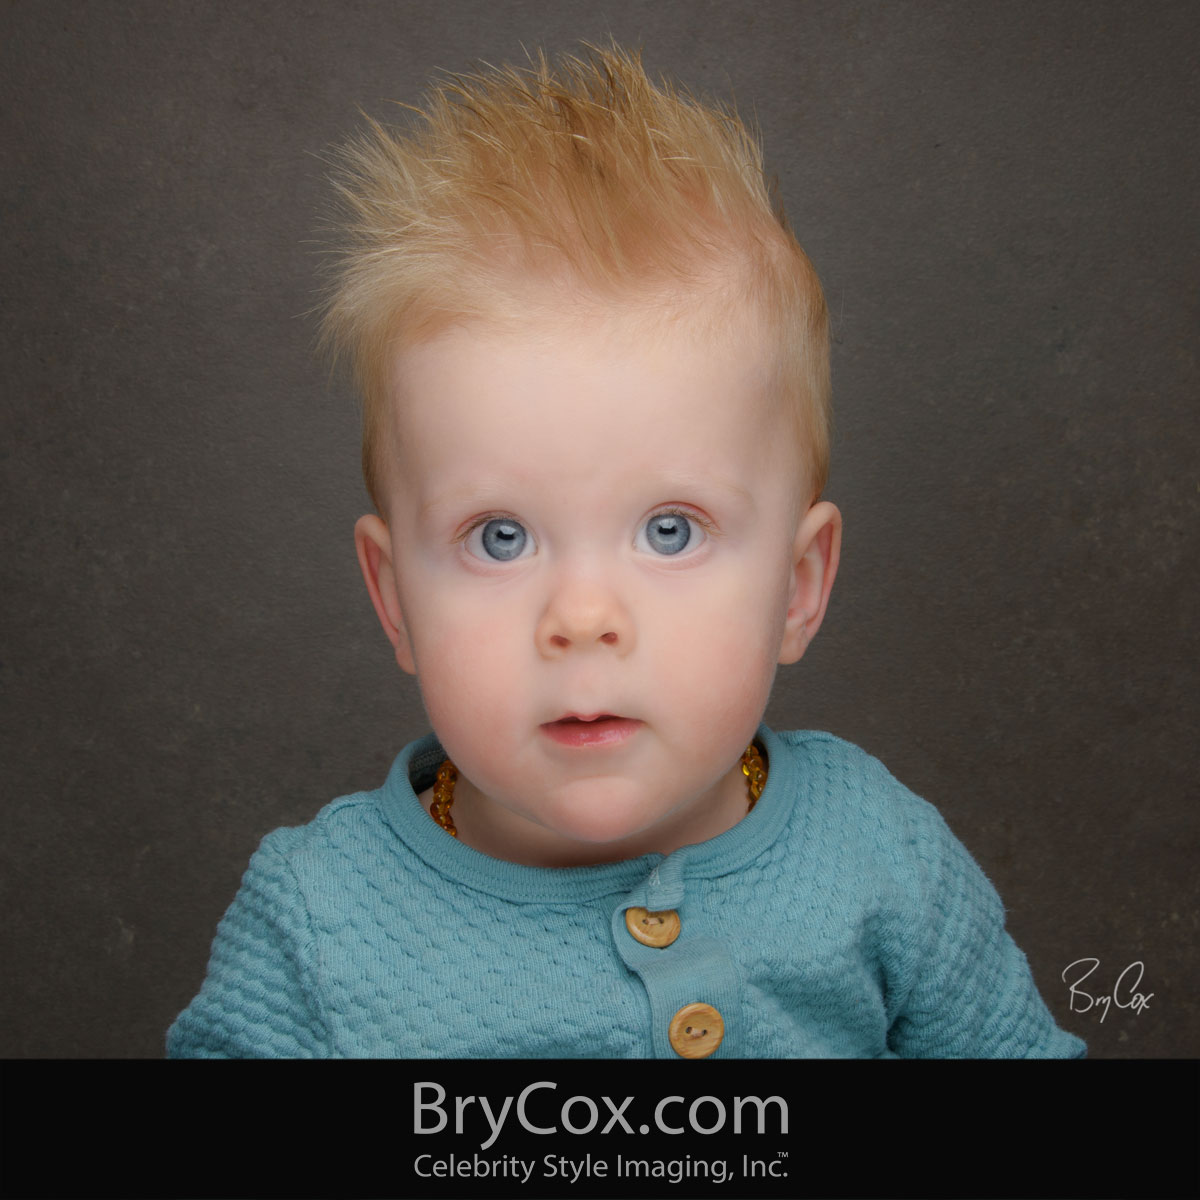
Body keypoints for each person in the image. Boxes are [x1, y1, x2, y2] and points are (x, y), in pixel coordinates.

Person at [167, 44, 1083, 1059]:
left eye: (671, 530)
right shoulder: (320, 925)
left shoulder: (881, 859)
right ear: (394, 601)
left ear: (798, 585)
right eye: (500, 538)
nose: (583, 616)